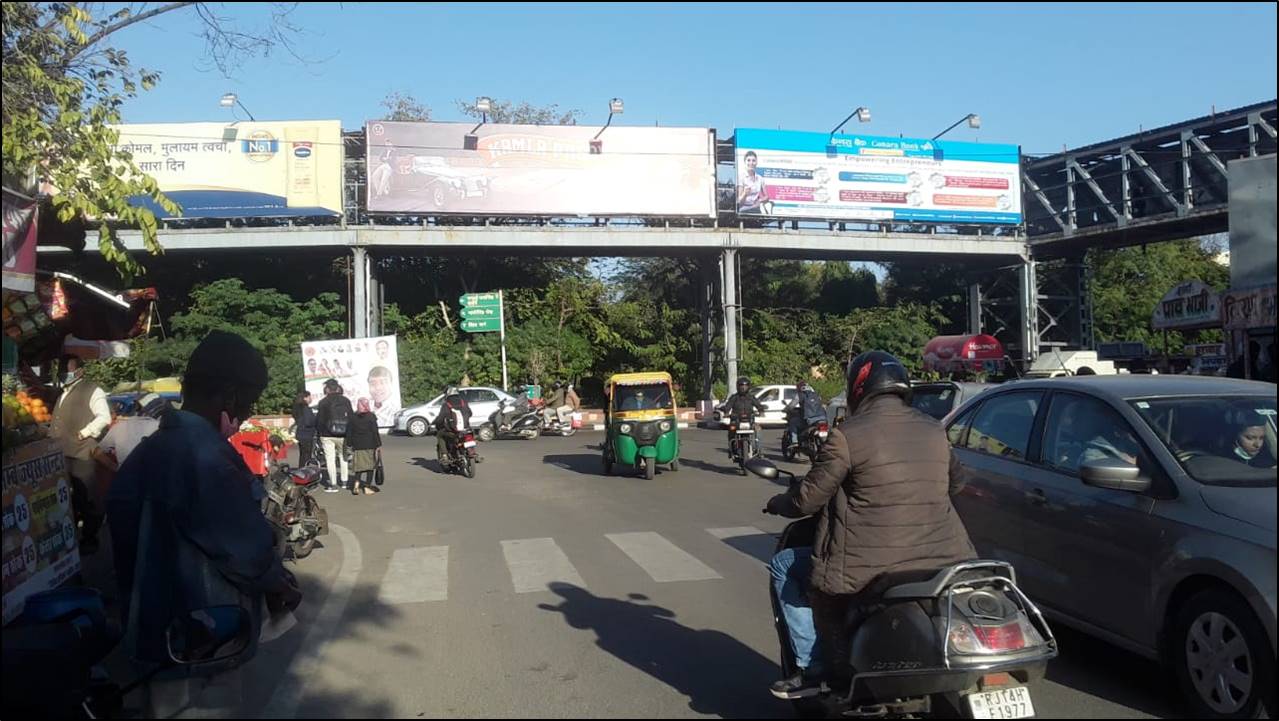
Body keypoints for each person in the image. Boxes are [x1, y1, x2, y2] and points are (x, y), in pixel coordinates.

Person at [105, 331, 301, 718]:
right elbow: (244, 549)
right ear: (229, 396)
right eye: (248, 402)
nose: (246, 413)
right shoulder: (207, 457)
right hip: (200, 643)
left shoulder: (150, 451)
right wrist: (278, 583)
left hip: (154, 638)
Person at [763, 351, 975, 697]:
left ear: (858, 389)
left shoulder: (847, 435)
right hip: (945, 561)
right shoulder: (934, 429)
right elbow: (957, 484)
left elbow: (807, 500)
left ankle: (816, 669)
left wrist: (777, 503)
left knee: (786, 565)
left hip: (869, 567)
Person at [49, 355, 112, 554]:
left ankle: (90, 539)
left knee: (87, 497)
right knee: (69, 497)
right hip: (61, 453)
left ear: (80, 371)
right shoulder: (63, 392)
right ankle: (72, 535)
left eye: (66, 369)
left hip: (81, 453)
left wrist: (85, 432)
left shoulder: (92, 390)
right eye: (60, 369)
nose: (62, 373)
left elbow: (104, 417)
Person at [315, 379, 353, 493]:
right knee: (343, 457)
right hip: (343, 434)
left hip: (327, 434)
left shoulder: (323, 402)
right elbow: (351, 417)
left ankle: (333, 484)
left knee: (330, 459)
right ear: (337, 388)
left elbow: (320, 420)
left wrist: (319, 434)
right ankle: (344, 481)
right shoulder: (346, 400)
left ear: (327, 389)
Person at [346, 398, 382, 495]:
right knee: (370, 467)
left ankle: (356, 485)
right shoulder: (371, 416)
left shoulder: (352, 417)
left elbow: (349, 432)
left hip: (357, 445)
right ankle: (367, 487)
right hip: (370, 444)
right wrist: (378, 444)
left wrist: (349, 444)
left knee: (359, 467)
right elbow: (375, 431)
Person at [719, 376, 766, 449]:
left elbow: (758, 405)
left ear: (749, 386)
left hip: (749, 420)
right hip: (736, 421)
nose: (743, 388)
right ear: (738, 386)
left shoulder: (751, 397)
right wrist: (726, 412)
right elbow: (728, 406)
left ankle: (758, 449)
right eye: (741, 386)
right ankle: (731, 447)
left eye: (746, 386)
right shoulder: (734, 397)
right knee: (731, 429)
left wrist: (761, 411)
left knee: (758, 429)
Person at [434, 385, 472, 467]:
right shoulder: (463, 402)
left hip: (453, 431)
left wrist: (437, 424)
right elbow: (470, 413)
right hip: (466, 429)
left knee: (440, 435)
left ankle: (444, 455)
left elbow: (440, 419)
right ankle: (472, 452)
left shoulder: (446, 405)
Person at [785, 380, 827, 447]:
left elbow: (791, 405)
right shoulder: (816, 394)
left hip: (810, 419)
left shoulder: (799, 395)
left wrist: (786, 409)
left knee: (793, 422)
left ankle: (794, 442)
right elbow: (822, 405)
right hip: (823, 418)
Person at [291, 389, 317, 467]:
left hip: (300, 433)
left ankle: (301, 470)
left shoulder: (297, 408)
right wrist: (315, 421)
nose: (311, 399)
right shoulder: (306, 409)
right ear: (305, 398)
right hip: (307, 434)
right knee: (307, 456)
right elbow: (308, 422)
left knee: (302, 455)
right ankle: (305, 471)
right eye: (309, 397)